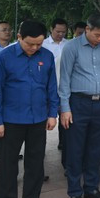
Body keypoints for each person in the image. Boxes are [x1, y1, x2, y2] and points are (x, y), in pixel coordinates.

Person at [0, 20, 59, 198]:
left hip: (38, 118)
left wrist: (52, 113)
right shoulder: (4, 57)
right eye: (30, 44)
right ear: (19, 37)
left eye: (39, 44)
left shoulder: (46, 56)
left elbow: (51, 87)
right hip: (10, 120)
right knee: (8, 164)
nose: (35, 48)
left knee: (36, 162)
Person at [58, 13, 100, 198]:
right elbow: (64, 80)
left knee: (96, 148)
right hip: (78, 103)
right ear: (88, 29)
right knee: (75, 148)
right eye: (98, 35)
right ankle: (75, 191)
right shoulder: (72, 47)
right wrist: (65, 109)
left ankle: (91, 187)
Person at [43, 18, 68, 159]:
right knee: (45, 122)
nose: (60, 34)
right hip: (48, 89)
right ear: (51, 29)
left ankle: (64, 146)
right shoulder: (43, 45)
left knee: (66, 121)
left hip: (64, 89)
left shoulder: (69, 45)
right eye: (58, 31)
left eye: (63, 32)